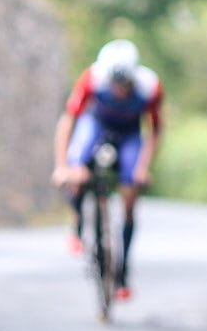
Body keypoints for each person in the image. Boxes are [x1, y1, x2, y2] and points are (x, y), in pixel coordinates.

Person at [51, 38, 164, 300]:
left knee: (129, 196)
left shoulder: (150, 87)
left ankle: (122, 273)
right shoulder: (92, 77)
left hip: (130, 135)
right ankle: (78, 226)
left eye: (123, 85)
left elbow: (155, 131)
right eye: (114, 84)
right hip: (97, 125)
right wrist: (62, 165)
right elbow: (69, 120)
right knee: (78, 172)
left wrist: (142, 168)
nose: (118, 90)